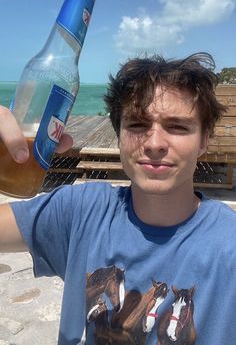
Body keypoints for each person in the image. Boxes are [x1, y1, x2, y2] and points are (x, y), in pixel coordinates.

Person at [0, 52, 235, 345]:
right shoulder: (82, 212)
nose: (154, 144)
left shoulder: (229, 245)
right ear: (118, 135)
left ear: (204, 140)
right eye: (137, 125)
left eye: (177, 127)